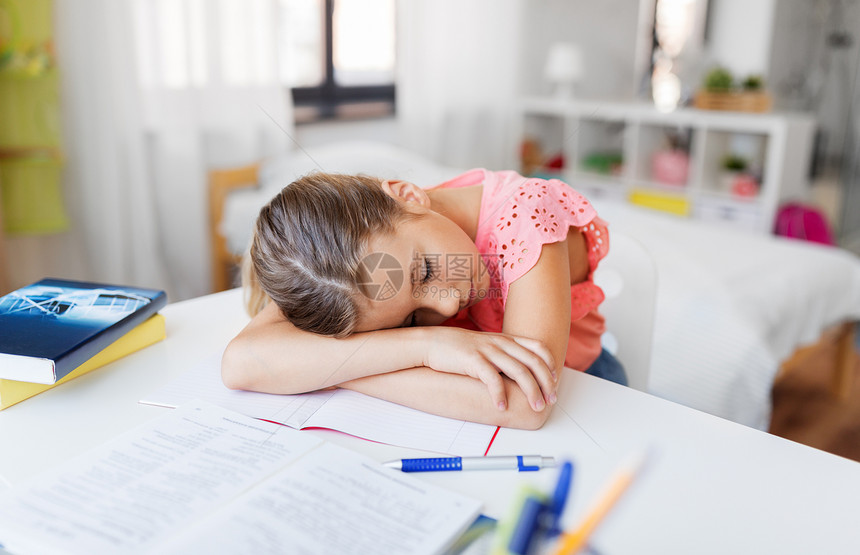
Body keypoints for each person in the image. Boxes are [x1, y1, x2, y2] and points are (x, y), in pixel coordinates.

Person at [221, 169, 626, 430]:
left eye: (425, 272)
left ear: (408, 195)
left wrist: (338, 368)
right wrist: (428, 346)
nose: (448, 307)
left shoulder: (527, 213)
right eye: (412, 320)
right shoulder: (332, 273)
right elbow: (241, 362)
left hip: (587, 399)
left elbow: (525, 401)